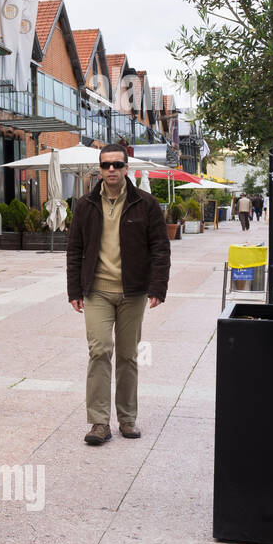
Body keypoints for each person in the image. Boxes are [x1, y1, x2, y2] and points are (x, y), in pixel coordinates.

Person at [67, 143, 170, 446]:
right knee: (99, 351)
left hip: (133, 292)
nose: (111, 170)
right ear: (99, 169)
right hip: (96, 290)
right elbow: (74, 249)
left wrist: (158, 286)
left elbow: (160, 248)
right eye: (105, 165)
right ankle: (99, 422)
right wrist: (74, 289)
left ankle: (127, 418)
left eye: (117, 164)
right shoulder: (85, 204)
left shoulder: (145, 204)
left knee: (127, 356)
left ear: (127, 168)